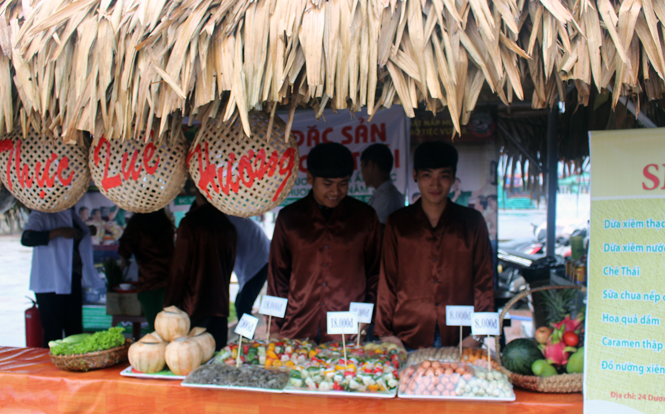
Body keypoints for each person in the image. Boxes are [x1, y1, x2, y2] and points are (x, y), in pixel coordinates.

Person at [375, 141, 495, 350]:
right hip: (408, 335)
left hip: (461, 338)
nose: (435, 185)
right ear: (415, 175)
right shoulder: (399, 223)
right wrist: (385, 334)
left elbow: (483, 282)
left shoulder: (472, 222)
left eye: (444, 176)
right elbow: (388, 280)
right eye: (427, 175)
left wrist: (479, 334)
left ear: (454, 179)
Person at [267, 142, 382, 343]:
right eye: (327, 184)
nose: (335, 191)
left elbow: (376, 273)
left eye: (343, 183)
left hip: (349, 330)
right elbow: (278, 277)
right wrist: (273, 326)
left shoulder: (365, 218)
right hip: (298, 326)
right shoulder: (289, 218)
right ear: (310, 178)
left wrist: (367, 319)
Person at [21, 209, 105, 347]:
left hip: (72, 279)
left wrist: (86, 231)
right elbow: (27, 238)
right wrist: (59, 232)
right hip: (50, 282)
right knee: (53, 332)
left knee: (74, 330)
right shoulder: (41, 213)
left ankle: (74, 363)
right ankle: (50, 366)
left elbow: (77, 236)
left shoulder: (70, 214)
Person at [165, 191, 237, 349]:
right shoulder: (228, 226)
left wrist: (169, 303)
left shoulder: (190, 224)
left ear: (198, 194)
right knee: (217, 363)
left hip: (194, 307)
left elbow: (179, 269)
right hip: (220, 306)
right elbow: (230, 265)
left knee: (189, 362)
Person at [118, 209, 175, 332]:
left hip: (150, 284)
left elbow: (124, 247)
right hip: (171, 282)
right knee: (172, 329)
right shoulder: (164, 220)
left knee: (157, 330)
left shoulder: (137, 222)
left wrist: (124, 261)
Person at [227, 216, 270, 320]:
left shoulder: (226, 220)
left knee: (243, 306)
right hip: (257, 261)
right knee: (241, 304)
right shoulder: (229, 218)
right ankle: (247, 335)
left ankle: (248, 336)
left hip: (259, 262)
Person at [360, 144, 405, 224]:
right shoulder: (386, 195)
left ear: (371, 165)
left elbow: (377, 234)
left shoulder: (387, 198)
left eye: (363, 166)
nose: (362, 173)